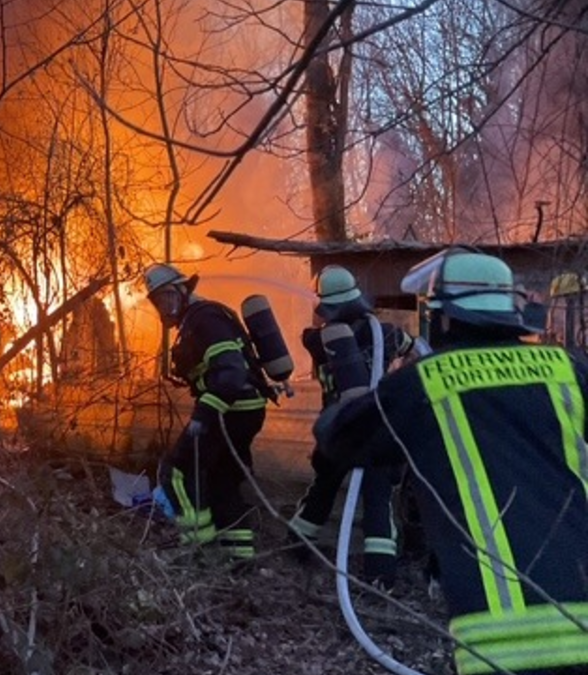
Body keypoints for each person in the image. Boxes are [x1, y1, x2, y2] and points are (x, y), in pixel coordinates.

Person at [316, 249, 588, 675]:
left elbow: (337, 437)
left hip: (503, 638)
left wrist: (353, 392)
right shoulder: (568, 369)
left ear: (444, 318)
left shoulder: (425, 383)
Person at [287, 265, 416, 589]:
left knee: (323, 490)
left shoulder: (318, 340)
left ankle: (295, 547)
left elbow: (314, 336)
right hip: (376, 431)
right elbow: (414, 349)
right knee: (377, 499)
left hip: (339, 432)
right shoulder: (386, 333)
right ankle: (381, 575)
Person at [144, 263, 271, 562]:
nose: (163, 307)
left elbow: (230, 374)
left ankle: (197, 548)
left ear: (183, 291)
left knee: (175, 470)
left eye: (167, 297)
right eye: (157, 301)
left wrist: (202, 417)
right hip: (243, 409)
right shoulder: (196, 320)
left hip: (230, 410)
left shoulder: (205, 320)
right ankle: (239, 559)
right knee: (222, 481)